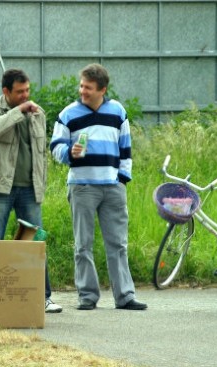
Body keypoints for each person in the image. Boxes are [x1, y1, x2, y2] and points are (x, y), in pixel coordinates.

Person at [49, 63, 147, 311]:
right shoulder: (68, 114)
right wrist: (69, 153)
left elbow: (126, 149)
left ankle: (125, 296)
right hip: (82, 187)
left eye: (88, 88)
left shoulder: (118, 112)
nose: (83, 91)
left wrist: (122, 179)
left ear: (102, 89)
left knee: (118, 244)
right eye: (82, 86)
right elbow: (55, 147)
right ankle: (87, 297)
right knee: (83, 244)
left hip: (113, 187)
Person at [0, 68, 62, 315]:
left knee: (34, 243)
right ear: (6, 91)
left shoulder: (37, 113)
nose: (25, 96)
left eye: (27, 91)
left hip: (30, 188)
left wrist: (42, 183)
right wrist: (19, 111)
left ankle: (43, 296)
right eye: (19, 92)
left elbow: (40, 153)